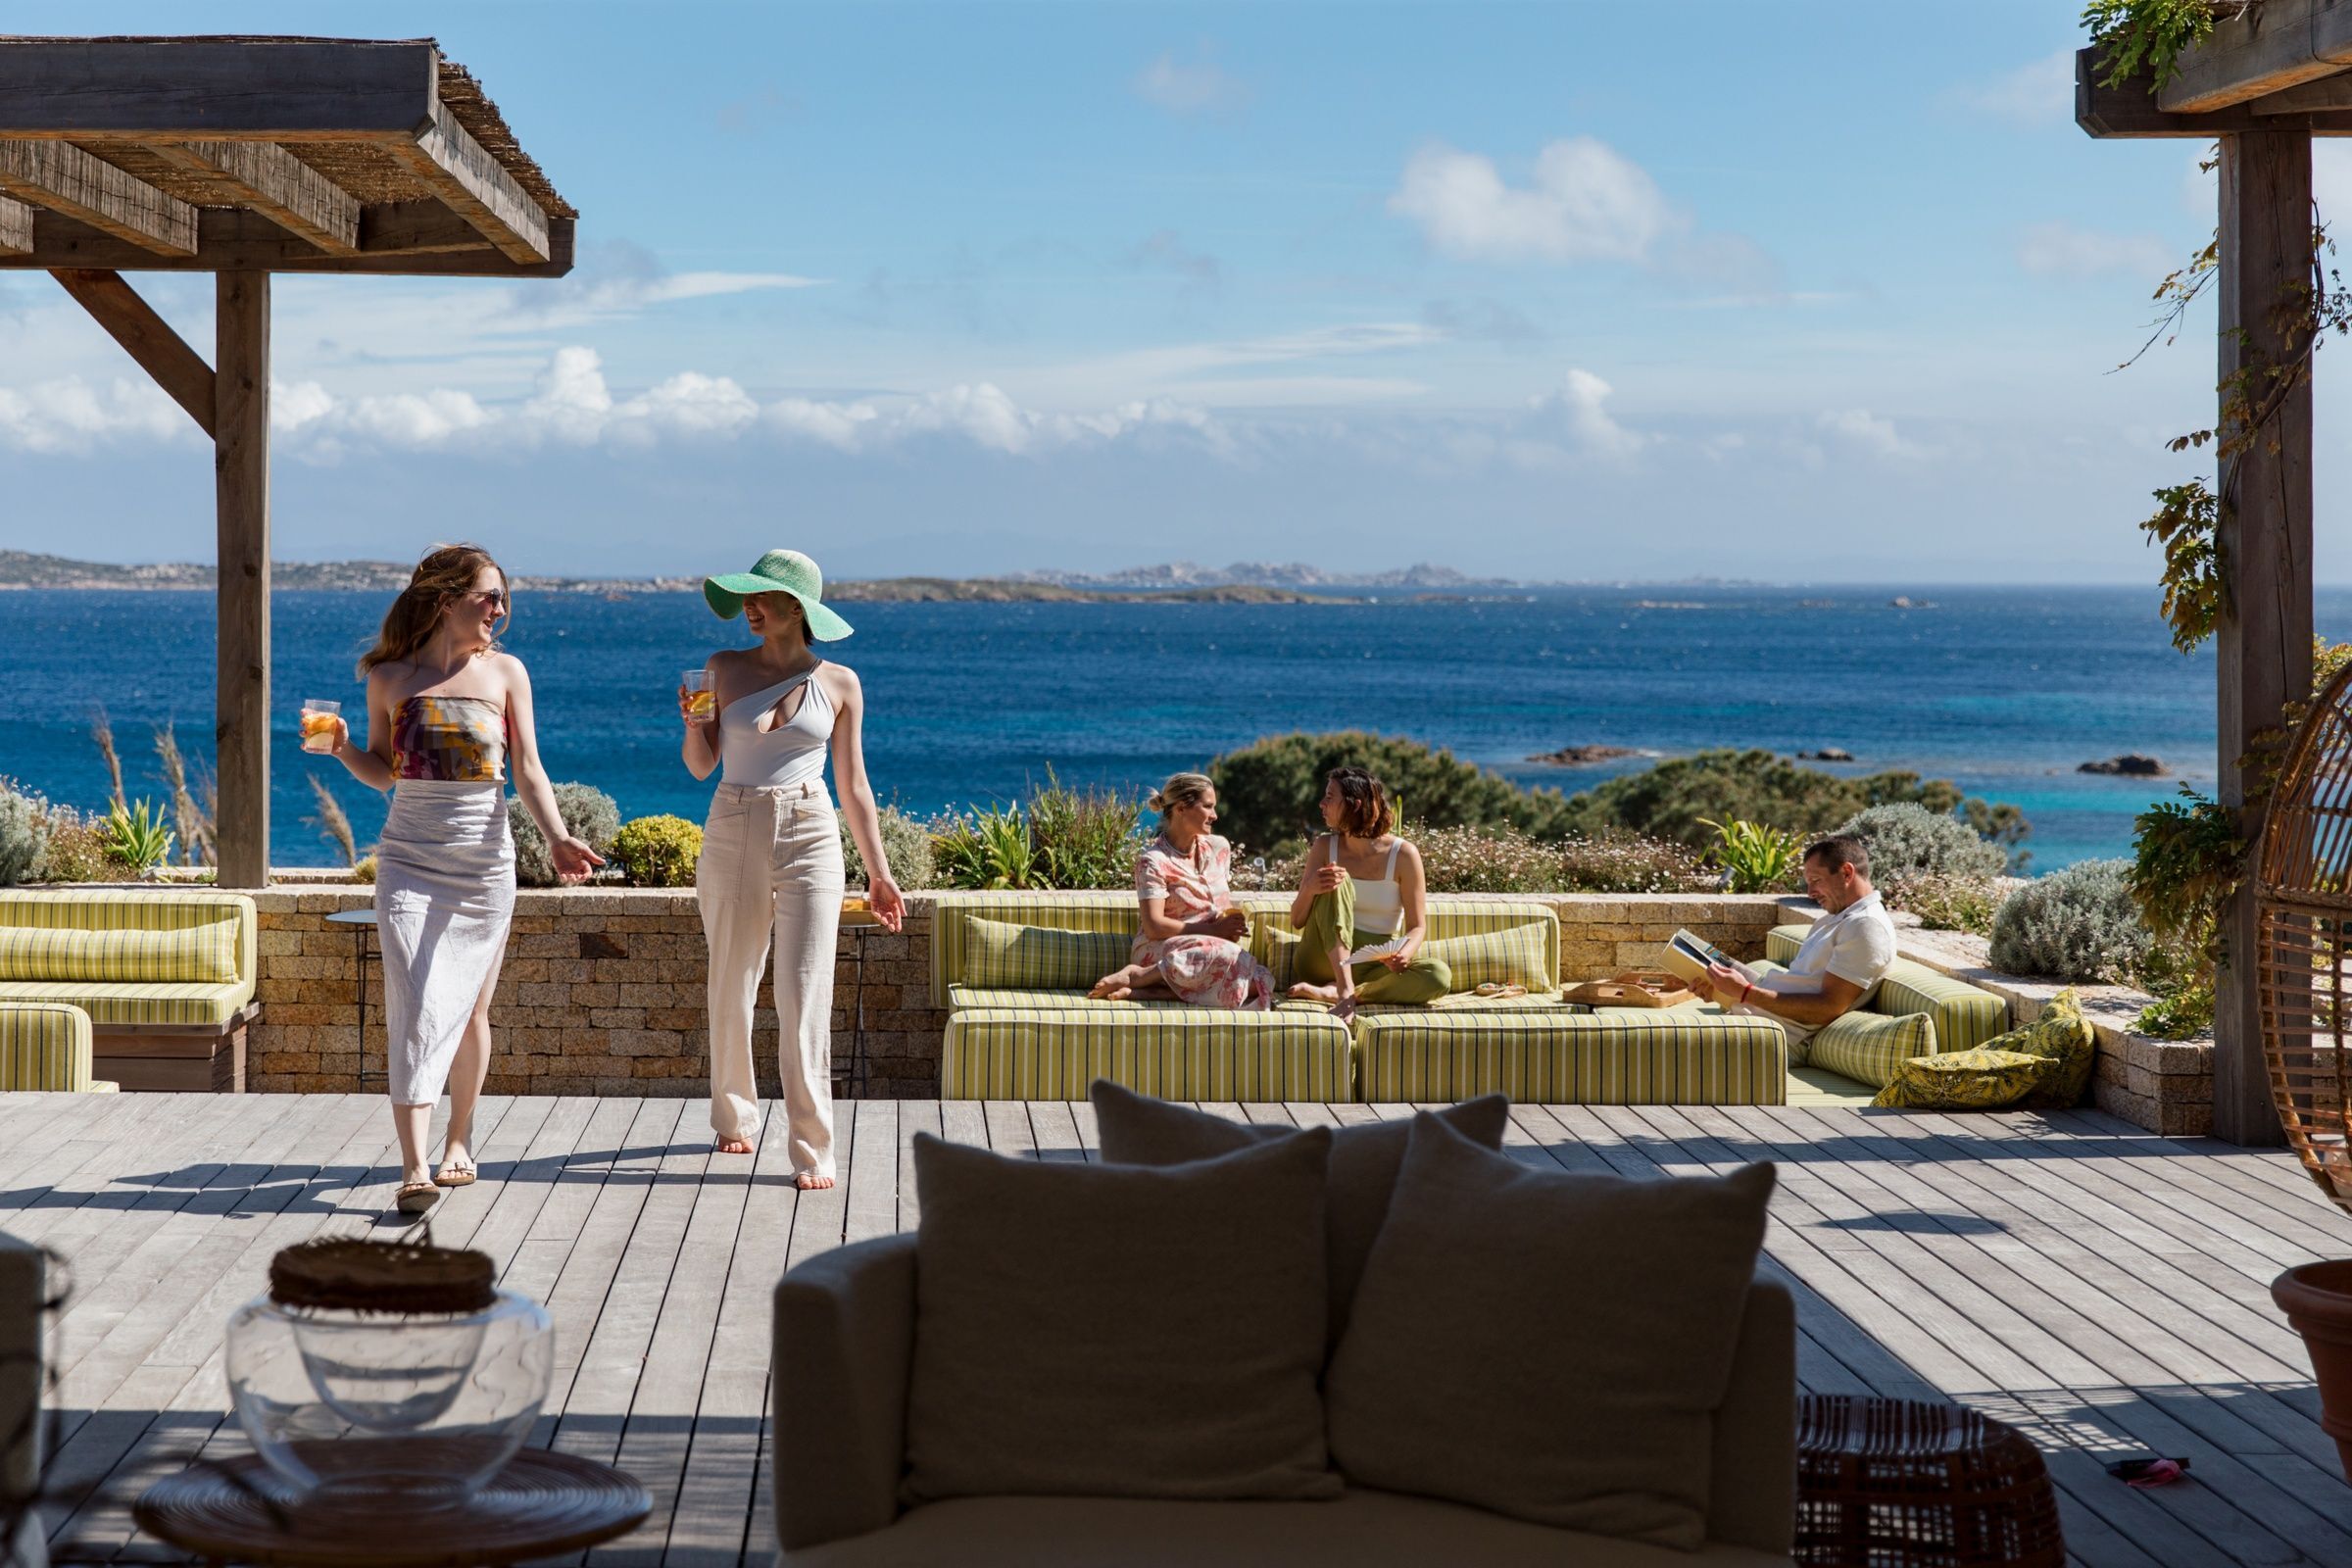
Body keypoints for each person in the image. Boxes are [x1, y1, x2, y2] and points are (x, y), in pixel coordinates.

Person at [314, 543, 604, 1216]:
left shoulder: (506, 673)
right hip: (410, 859)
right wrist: (343, 749)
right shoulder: (389, 677)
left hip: (483, 863)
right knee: (415, 1002)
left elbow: (528, 769)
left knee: (471, 1008)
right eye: (487, 597)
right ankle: (414, 1167)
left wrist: (557, 836)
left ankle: (459, 1139)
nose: (499, 610)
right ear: (447, 601)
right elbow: (387, 773)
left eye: (503, 598)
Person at [682, 549, 905, 1191]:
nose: (750, 608)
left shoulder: (840, 683)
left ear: (798, 609)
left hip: (812, 830)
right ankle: (734, 1116)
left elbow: (854, 785)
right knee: (731, 979)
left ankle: (813, 1149)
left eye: (763, 598)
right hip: (735, 823)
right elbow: (700, 766)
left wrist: (879, 872)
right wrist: (695, 723)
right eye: (747, 598)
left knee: (806, 994)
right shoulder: (721, 669)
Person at [1088, 772, 1277, 1009]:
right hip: (1162, 949)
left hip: (1212, 949)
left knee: (1263, 980)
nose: (1215, 815)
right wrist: (1212, 930)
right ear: (1180, 808)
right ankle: (1138, 976)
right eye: (1207, 807)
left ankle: (1154, 992)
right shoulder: (1153, 861)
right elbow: (1154, 927)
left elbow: (1216, 907)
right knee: (1224, 956)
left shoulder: (1220, 848)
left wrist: (1227, 923)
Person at [1690, 832, 1896, 1049]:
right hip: (1753, 1022)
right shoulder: (1836, 920)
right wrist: (1716, 981)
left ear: (1846, 872)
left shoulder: (1866, 926)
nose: (1810, 893)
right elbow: (1799, 984)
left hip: (1775, 1038)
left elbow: (1828, 1007)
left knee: (1660, 1044)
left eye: (1816, 880)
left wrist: (1745, 992)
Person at [1284, 766, 1449, 1022]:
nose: (1321, 803)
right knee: (1337, 880)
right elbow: (1297, 920)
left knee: (1438, 975)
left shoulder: (1404, 854)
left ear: (1354, 805)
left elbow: (1417, 927)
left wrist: (1403, 954)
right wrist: (1310, 889)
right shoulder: (1325, 846)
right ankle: (1343, 987)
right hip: (1321, 958)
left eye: (1330, 797)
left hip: (1372, 965)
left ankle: (1339, 992)